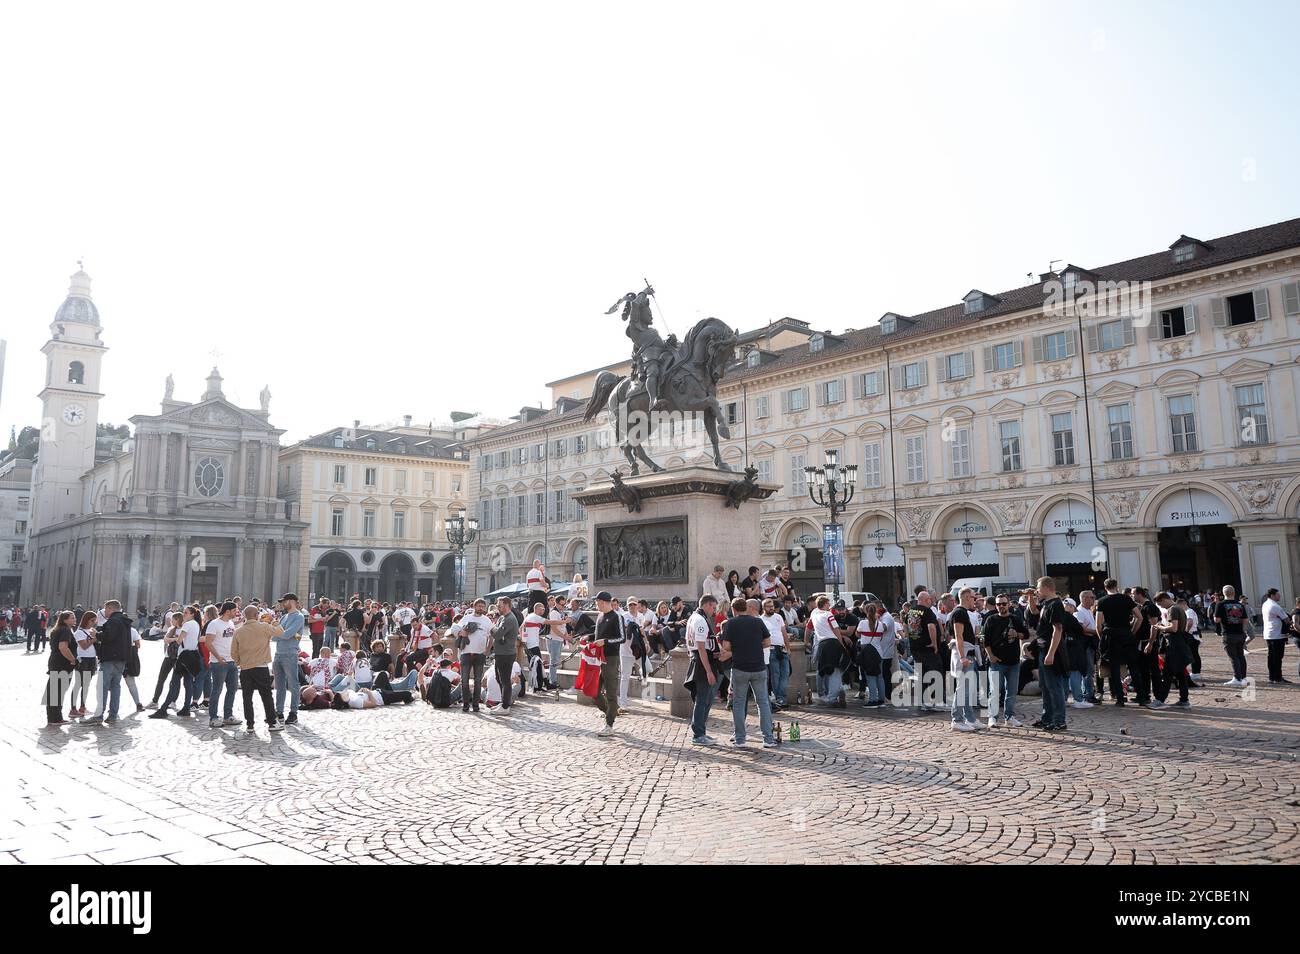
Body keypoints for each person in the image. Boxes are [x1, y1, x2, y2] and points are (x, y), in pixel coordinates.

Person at [720, 598, 777, 747]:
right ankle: (768, 738)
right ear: (746, 607)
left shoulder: (731, 623)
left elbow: (726, 646)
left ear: (734, 609)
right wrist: (753, 645)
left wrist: (739, 647)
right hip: (759, 667)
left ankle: (740, 739)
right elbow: (767, 642)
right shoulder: (757, 621)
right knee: (763, 703)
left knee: (738, 703)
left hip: (740, 668)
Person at [231, 603, 283, 735]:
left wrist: (239, 662)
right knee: (266, 695)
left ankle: (249, 724)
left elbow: (233, 652)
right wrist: (275, 621)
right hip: (261, 667)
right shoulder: (264, 627)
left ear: (244, 616)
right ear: (256, 615)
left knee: (247, 697)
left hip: (245, 668)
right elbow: (280, 632)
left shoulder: (238, 631)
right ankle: (272, 722)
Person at [983, 593, 1028, 727]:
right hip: (996, 661)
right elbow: (984, 640)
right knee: (995, 690)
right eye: (998, 604)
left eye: (1003, 603)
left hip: (1013, 661)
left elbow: (1025, 633)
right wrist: (990, 655)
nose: (1001, 606)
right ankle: (993, 717)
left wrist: (1017, 634)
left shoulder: (1015, 619)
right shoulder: (991, 619)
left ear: (1008, 604)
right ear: (995, 605)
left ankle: (1009, 717)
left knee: (1012, 691)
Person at [1032, 577, 1070, 732]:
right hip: (1043, 650)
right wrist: (1030, 597)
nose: (1037, 591)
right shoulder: (1046, 603)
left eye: (1038, 588)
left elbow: (1058, 630)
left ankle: (1059, 720)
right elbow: (1034, 611)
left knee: (1054, 687)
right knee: (1045, 687)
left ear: (1047, 588)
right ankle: (1047, 718)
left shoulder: (1055, 604)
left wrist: (1051, 653)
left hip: (1050, 651)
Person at [149, 608, 201, 719]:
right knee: (188, 684)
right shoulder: (196, 624)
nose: (184, 614)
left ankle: (163, 709)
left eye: (186, 612)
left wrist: (174, 638)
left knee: (174, 683)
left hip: (183, 656)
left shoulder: (187, 624)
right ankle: (186, 708)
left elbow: (179, 640)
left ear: (192, 614)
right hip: (192, 655)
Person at [91, 600, 132, 726]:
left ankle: (98, 715)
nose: (105, 612)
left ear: (111, 608)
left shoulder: (113, 621)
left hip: (110, 658)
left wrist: (96, 634)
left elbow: (109, 637)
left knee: (102, 687)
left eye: (106, 609)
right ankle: (113, 715)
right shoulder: (125, 621)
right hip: (121, 659)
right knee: (115, 687)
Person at [589, 591, 624, 737]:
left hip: (611, 658)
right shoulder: (599, 617)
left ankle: (609, 724)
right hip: (598, 659)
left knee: (611, 692)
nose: (596, 605)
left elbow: (622, 638)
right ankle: (610, 712)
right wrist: (588, 637)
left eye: (597, 602)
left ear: (603, 602)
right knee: (594, 692)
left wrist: (606, 642)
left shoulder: (617, 617)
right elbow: (598, 635)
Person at [948, 587, 982, 732]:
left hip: (967, 652)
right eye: (973, 598)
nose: (975, 600)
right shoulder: (960, 612)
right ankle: (957, 719)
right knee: (963, 688)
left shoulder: (961, 612)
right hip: (964, 653)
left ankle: (970, 718)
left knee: (967, 688)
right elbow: (958, 635)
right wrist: (962, 657)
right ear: (967, 597)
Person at [903, 590, 943, 711]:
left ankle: (923, 702)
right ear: (926, 600)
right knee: (936, 672)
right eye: (930, 599)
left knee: (921, 674)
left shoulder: (911, 610)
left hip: (915, 647)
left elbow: (905, 624)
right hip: (927, 647)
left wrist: (910, 637)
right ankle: (936, 701)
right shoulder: (927, 611)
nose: (931, 601)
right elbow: (931, 627)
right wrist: (934, 643)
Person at [205, 601, 242, 728]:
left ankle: (228, 716)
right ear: (227, 611)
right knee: (217, 690)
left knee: (232, 689)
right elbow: (208, 642)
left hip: (231, 661)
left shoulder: (231, 623)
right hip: (218, 662)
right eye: (234, 611)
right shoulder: (214, 624)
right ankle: (213, 717)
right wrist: (218, 657)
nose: (236, 613)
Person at [451, 599, 491, 713]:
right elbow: (454, 628)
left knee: (478, 681)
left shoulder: (487, 620)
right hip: (465, 653)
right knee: (464, 680)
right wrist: (460, 633)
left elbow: (491, 636)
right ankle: (465, 704)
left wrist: (487, 650)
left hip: (480, 654)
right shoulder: (466, 617)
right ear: (474, 606)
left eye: (483, 606)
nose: (481, 608)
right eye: (479, 606)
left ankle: (476, 705)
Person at [1153, 592, 1192, 707]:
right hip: (1179, 643)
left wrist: (1160, 627)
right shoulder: (1179, 608)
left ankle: (1160, 700)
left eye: (1161, 603)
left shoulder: (1172, 609)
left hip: (1174, 644)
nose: (1161, 606)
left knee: (1168, 673)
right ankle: (1184, 700)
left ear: (1165, 599)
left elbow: (1173, 628)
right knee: (1180, 673)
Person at [273, 594, 306, 724]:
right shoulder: (284, 617)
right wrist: (284, 634)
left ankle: (293, 712)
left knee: (293, 684)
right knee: (279, 685)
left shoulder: (299, 616)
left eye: (284, 601)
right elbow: (275, 636)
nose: (282, 604)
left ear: (292, 602)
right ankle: (279, 712)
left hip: (290, 654)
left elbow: (287, 634)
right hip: (278, 653)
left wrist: (283, 634)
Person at [1213, 585, 1252, 686]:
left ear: (1223, 593)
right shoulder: (1240, 605)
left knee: (1233, 657)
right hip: (1240, 633)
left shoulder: (1220, 604)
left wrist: (1215, 617)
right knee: (1241, 656)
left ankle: (1237, 678)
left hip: (1228, 633)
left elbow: (1217, 620)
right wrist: (1243, 630)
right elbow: (1246, 620)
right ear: (1234, 593)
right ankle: (1243, 678)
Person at [44, 611, 77, 725]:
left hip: (55, 662)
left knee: (54, 691)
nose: (74, 619)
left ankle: (52, 717)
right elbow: (63, 647)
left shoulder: (56, 630)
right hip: (63, 664)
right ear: (64, 619)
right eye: (72, 618)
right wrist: (73, 659)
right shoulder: (65, 630)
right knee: (58, 691)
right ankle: (56, 718)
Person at [488, 597, 521, 712]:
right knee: (499, 678)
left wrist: (492, 628)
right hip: (500, 653)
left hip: (506, 654)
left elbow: (497, 634)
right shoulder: (503, 617)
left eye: (500, 605)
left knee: (505, 680)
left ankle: (506, 706)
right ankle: (504, 703)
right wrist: (495, 629)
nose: (497, 607)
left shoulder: (510, 619)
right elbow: (497, 631)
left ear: (506, 605)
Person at [762, 598, 790, 709]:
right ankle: (780, 698)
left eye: (772, 606)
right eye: (769, 606)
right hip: (771, 649)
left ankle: (780, 697)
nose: (771, 608)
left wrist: (788, 647)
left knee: (786, 673)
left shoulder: (778, 617)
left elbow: (784, 633)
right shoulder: (761, 619)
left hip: (782, 648)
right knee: (775, 674)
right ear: (764, 608)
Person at [71, 610, 99, 717]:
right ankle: (73, 708)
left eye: (95, 621)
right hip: (83, 660)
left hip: (92, 659)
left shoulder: (92, 630)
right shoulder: (79, 632)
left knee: (86, 685)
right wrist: (94, 638)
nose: (94, 623)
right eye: (92, 620)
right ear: (87, 620)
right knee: (78, 684)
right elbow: (84, 646)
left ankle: (82, 707)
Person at [1261, 587, 1291, 684]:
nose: (1279, 596)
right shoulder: (1275, 606)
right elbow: (1286, 620)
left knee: (1271, 657)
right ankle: (1278, 678)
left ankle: (1272, 676)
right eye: (1278, 594)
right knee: (1277, 657)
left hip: (1269, 634)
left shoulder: (1265, 604)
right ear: (1273, 595)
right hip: (1277, 635)